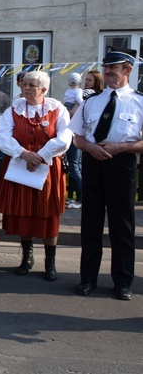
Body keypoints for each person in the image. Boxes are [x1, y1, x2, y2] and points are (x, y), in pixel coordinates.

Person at [69, 48, 143, 300]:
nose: (108, 71)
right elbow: (77, 137)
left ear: (128, 70)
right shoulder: (91, 101)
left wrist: (121, 147)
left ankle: (123, 282)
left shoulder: (139, 101)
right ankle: (87, 279)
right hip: (93, 162)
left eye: (114, 67)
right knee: (91, 223)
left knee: (122, 225)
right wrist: (89, 147)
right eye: (106, 67)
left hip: (121, 164)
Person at [0, 71, 71, 281]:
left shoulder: (58, 109)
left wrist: (42, 155)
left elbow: (65, 137)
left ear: (44, 90)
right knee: (24, 212)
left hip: (48, 169)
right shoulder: (14, 109)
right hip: (20, 166)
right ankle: (27, 257)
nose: (26, 88)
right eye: (25, 84)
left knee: (48, 214)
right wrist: (25, 154)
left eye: (32, 85)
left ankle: (50, 261)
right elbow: (3, 137)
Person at [63, 73, 85, 209]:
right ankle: (81, 197)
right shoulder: (77, 93)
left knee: (75, 167)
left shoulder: (75, 93)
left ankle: (82, 198)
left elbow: (79, 107)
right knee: (77, 167)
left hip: (73, 132)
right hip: (73, 131)